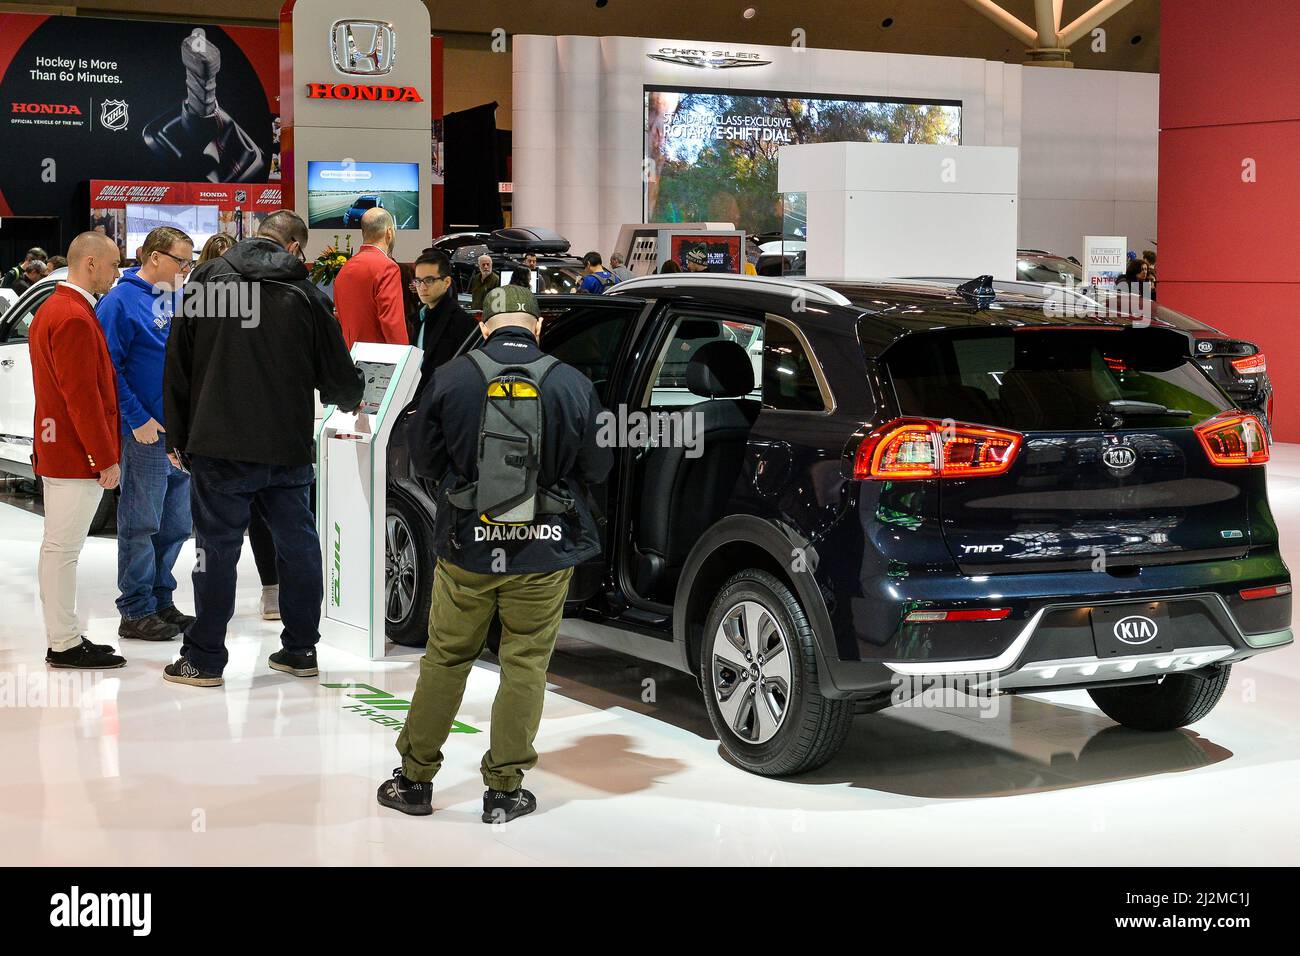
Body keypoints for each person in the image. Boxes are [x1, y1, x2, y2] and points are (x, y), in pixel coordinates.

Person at [377, 285, 612, 822]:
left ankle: (414, 782)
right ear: (537, 326)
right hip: (543, 551)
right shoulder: (572, 384)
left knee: (447, 658)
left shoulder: (451, 378)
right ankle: (504, 789)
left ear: (484, 325)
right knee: (525, 661)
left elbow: (426, 462)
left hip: (467, 548)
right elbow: (598, 468)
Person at [162, 211, 364, 687]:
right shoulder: (307, 294)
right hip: (287, 447)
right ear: (295, 248)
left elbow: (179, 362)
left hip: (218, 444)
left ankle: (205, 658)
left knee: (214, 552)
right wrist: (353, 394)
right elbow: (337, 377)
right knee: (299, 547)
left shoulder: (208, 281)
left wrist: (178, 434)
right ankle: (299, 650)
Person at [31, 232, 125, 670]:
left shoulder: (56, 309)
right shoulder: (71, 316)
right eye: (112, 264)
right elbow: (82, 397)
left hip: (62, 450)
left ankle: (64, 636)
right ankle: (64, 642)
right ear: (89, 263)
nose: (116, 272)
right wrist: (103, 457)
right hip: (73, 454)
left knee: (58, 549)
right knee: (62, 550)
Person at [97, 225, 196, 642]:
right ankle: (135, 608)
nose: (187, 269)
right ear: (155, 257)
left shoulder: (175, 299)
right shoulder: (120, 301)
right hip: (146, 435)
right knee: (141, 524)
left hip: (179, 436)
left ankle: (160, 598)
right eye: (182, 261)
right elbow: (107, 368)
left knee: (175, 525)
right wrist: (136, 419)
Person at [194, 232, 283, 618]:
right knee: (270, 525)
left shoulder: (198, 301)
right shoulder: (274, 298)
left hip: (214, 438)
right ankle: (282, 614)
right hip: (256, 434)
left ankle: (209, 639)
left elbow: (180, 372)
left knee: (214, 537)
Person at [333, 207, 407, 348]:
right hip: (379, 361)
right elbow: (392, 322)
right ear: (389, 232)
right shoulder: (387, 267)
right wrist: (404, 358)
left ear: (364, 232)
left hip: (350, 356)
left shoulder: (345, 268)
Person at [410, 250, 475, 394]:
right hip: (417, 400)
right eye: (418, 281)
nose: (422, 287)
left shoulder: (463, 323)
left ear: (446, 282)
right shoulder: (418, 318)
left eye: (429, 280)